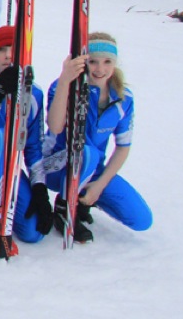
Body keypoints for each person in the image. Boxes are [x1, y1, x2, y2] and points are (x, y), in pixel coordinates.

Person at [41, 32, 151, 242]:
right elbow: (54, 126)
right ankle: (65, 208)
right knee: (87, 152)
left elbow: (123, 147)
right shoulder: (65, 86)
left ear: (115, 63)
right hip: (56, 166)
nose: (100, 69)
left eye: (107, 62)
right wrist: (65, 79)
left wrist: (99, 185)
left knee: (141, 219)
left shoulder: (123, 98)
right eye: (93, 62)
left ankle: (83, 198)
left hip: (91, 168)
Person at [0, 26, 49, 255]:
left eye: (14, 49)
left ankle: (6, 196)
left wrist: (40, 189)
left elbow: (33, 146)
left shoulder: (34, 94)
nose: (8, 55)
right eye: (1, 50)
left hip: (9, 166)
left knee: (33, 233)